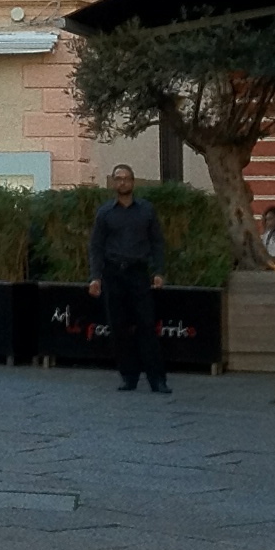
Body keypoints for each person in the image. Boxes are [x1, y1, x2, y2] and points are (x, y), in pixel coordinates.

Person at [91, 163, 169, 394]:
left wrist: (158, 272)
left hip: (138, 273)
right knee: (119, 328)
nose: (122, 182)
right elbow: (96, 247)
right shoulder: (105, 213)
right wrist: (95, 277)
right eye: (118, 179)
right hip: (113, 274)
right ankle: (129, 377)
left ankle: (157, 380)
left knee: (146, 325)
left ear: (133, 182)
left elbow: (157, 243)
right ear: (113, 183)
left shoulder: (146, 210)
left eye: (126, 178)